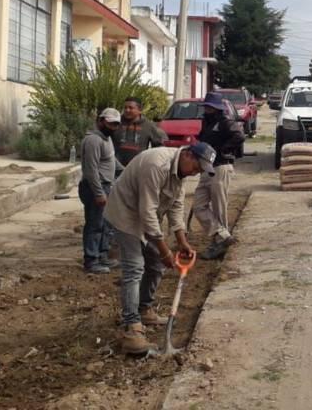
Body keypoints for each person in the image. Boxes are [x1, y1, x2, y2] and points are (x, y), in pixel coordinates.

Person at [104, 142, 217, 355]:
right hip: (126, 214)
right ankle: (131, 329)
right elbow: (147, 211)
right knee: (135, 267)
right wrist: (165, 250)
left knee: (155, 265)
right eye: (196, 167)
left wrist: (182, 241)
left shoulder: (180, 174)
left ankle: (144, 309)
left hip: (146, 218)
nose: (195, 173)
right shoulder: (157, 165)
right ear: (188, 155)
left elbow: (175, 207)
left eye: (200, 171)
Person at [189, 91, 245, 260]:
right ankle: (223, 236)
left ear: (217, 108)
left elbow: (239, 136)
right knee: (199, 206)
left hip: (221, 167)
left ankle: (219, 244)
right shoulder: (206, 122)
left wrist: (224, 149)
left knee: (219, 208)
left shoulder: (225, 122)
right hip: (206, 168)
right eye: (206, 106)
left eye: (210, 106)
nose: (207, 109)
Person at [79, 108, 122, 274]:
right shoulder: (93, 141)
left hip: (106, 185)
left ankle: (102, 255)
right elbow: (91, 170)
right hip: (94, 187)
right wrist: (98, 193)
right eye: (110, 123)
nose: (113, 127)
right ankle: (91, 260)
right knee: (94, 224)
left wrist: (127, 171)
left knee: (106, 223)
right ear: (101, 121)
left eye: (116, 124)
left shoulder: (107, 139)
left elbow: (112, 161)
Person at [112, 96, 167, 171]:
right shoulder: (116, 122)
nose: (127, 110)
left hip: (138, 169)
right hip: (115, 169)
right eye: (125, 108)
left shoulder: (148, 126)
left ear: (140, 110)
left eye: (131, 108)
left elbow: (159, 146)